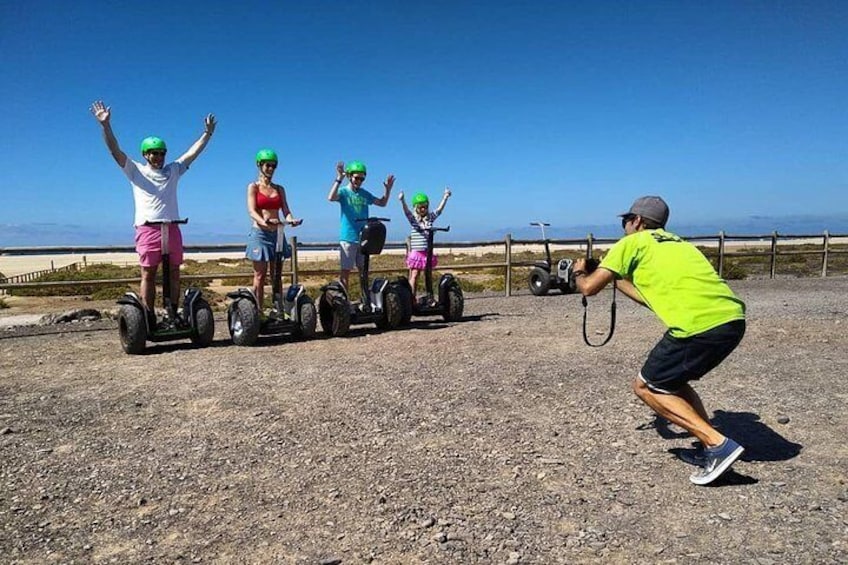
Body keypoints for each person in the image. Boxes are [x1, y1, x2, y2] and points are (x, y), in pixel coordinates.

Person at [573, 196, 747, 486]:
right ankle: (708, 446)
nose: (624, 227)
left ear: (637, 221)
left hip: (696, 327)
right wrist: (613, 275)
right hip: (731, 320)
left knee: (645, 386)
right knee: (674, 383)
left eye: (625, 221)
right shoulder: (680, 244)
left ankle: (718, 445)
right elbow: (650, 299)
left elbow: (588, 289)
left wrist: (580, 271)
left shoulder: (631, 243)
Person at [90, 100, 216, 316]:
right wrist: (105, 125)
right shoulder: (135, 170)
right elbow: (114, 150)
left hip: (172, 228)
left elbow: (192, 153)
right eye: (153, 153)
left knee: (175, 272)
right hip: (148, 229)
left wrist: (207, 134)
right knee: (148, 273)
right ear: (145, 154)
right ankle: (147, 315)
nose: (158, 157)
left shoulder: (174, 170)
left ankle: (173, 312)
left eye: (161, 153)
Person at [245, 149, 302, 311]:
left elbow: (286, 210)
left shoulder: (279, 188)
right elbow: (251, 211)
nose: (270, 168)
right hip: (260, 234)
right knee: (260, 276)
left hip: (277, 233)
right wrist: (264, 222)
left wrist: (291, 220)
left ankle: (278, 309)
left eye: (273, 166)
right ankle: (258, 311)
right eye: (267, 165)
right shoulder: (253, 187)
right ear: (259, 165)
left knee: (276, 275)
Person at [327, 160, 394, 288]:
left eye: (362, 179)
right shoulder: (344, 192)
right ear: (349, 176)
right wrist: (339, 178)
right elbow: (330, 197)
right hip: (348, 237)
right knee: (345, 272)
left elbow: (382, 203)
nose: (359, 181)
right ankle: (345, 303)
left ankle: (365, 299)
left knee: (363, 270)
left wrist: (388, 190)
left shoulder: (364, 193)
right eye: (357, 178)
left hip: (364, 236)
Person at [397, 187, 452, 300]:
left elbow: (439, 210)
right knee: (415, 275)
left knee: (428, 275)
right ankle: (411, 298)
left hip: (427, 252)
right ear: (416, 208)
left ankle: (429, 296)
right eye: (421, 207)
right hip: (417, 252)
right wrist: (402, 200)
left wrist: (445, 197)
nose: (423, 209)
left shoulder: (430, 218)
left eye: (425, 206)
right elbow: (406, 212)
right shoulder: (413, 219)